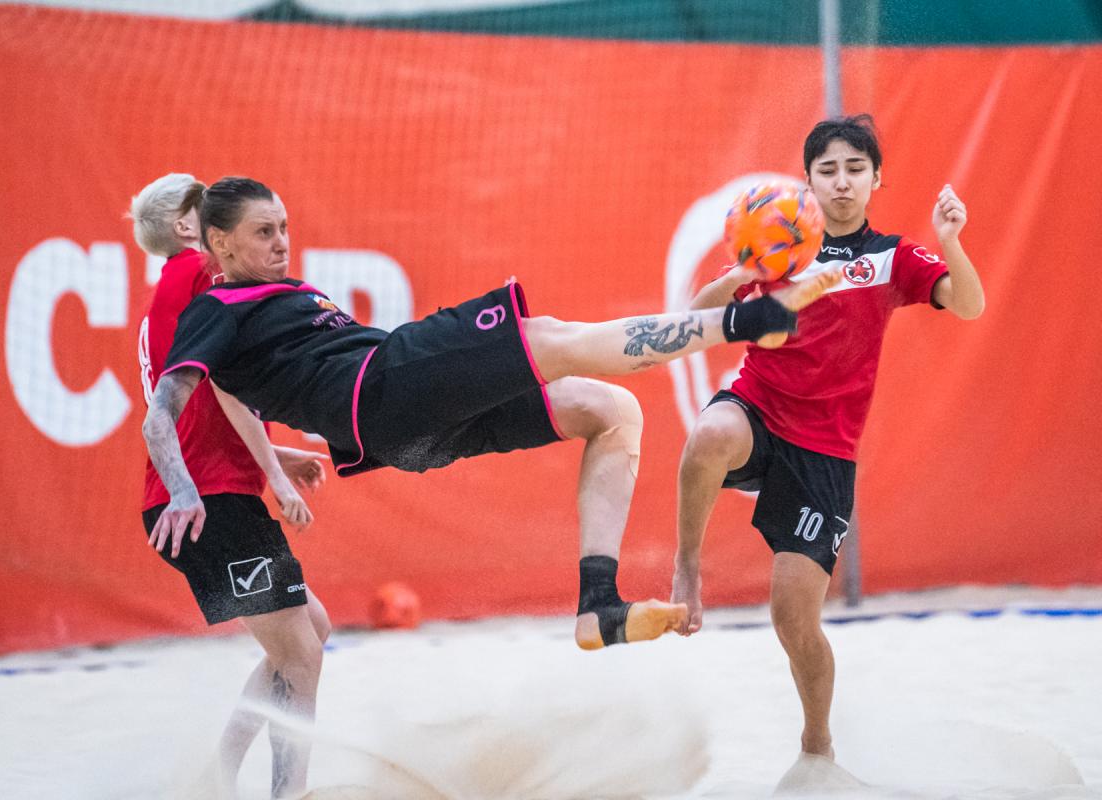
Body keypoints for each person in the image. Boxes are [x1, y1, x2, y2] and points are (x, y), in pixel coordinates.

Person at [142, 175, 838, 662]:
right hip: (385, 383)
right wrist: (181, 488)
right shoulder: (213, 306)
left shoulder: (274, 298)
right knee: (556, 337)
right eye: (264, 232)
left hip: (397, 430)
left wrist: (278, 459)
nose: (282, 242)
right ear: (218, 245)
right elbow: (161, 413)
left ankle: (599, 604)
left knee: (610, 410)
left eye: (285, 228)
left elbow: (236, 392)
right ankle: (750, 322)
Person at [671, 115, 986, 759]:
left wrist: (951, 240)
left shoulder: (892, 257)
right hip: (759, 407)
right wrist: (736, 277)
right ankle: (687, 565)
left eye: (855, 169)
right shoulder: (782, 247)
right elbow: (692, 321)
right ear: (809, 182)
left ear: (876, 179)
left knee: (793, 619)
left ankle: (817, 745)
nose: (842, 181)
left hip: (825, 450)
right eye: (828, 170)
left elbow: (969, 303)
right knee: (708, 435)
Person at [131, 173, 333, 799]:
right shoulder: (199, 274)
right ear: (189, 229)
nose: (275, 240)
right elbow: (223, 389)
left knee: (311, 631)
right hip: (207, 503)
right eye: (205, 207)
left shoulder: (170, 289)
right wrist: (273, 476)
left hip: (202, 495)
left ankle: (219, 772)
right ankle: (286, 793)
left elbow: (197, 411)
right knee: (301, 653)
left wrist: (276, 455)